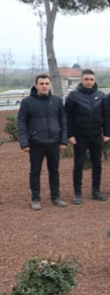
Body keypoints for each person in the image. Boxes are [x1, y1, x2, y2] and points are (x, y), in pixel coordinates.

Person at [17, 75, 68, 210]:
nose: (44, 86)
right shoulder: (27, 102)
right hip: (35, 143)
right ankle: (35, 199)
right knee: (35, 172)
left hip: (54, 142)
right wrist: (24, 142)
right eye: (42, 83)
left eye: (46, 83)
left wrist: (63, 140)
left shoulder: (57, 101)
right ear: (36, 86)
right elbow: (21, 123)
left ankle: (56, 197)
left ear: (49, 85)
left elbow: (63, 121)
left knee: (54, 170)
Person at [64, 69, 109, 204]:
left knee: (97, 164)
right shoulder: (73, 96)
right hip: (80, 136)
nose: (89, 82)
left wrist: (107, 133)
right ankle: (77, 193)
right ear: (81, 80)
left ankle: (96, 191)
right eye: (86, 79)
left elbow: (106, 116)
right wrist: (70, 135)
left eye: (91, 79)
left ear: (94, 81)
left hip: (96, 136)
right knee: (79, 164)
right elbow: (67, 117)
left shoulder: (101, 95)